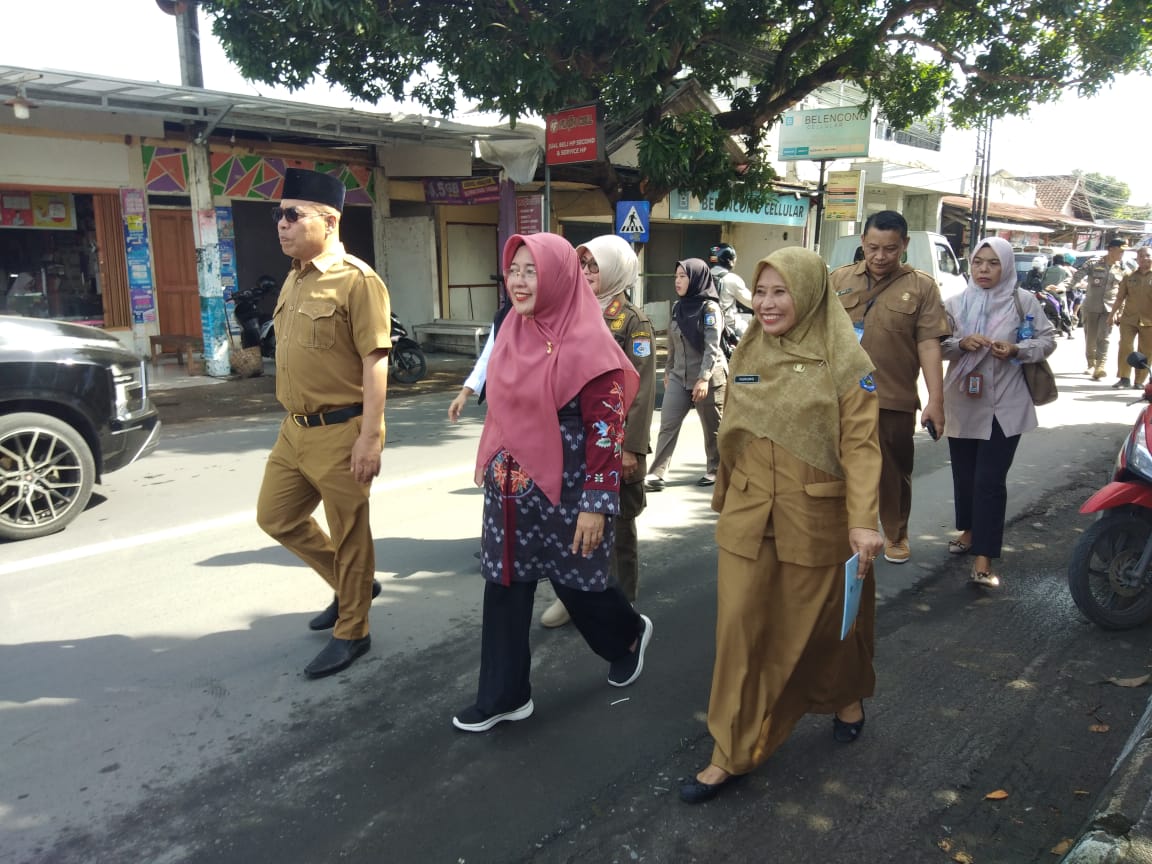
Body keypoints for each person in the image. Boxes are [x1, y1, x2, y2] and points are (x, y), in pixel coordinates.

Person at [679, 247, 883, 805]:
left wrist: (864, 521)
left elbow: (862, 447)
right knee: (740, 631)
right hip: (749, 513)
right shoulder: (750, 347)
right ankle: (732, 750)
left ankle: (844, 694)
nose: (767, 304)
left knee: (818, 628)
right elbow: (735, 431)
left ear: (810, 293)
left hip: (816, 515)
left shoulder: (846, 361)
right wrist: (725, 492)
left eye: (781, 292)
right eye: (762, 292)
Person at [453, 232, 653, 733]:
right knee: (505, 583)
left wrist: (596, 503)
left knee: (578, 583)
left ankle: (628, 636)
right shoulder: (511, 326)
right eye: (514, 270)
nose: (519, 282)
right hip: (510, 487)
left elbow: (607, 430)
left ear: (558, 278)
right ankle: (505, 697)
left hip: (569, 486)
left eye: (532, 271)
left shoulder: (591, 343)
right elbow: (500, 406)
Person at [255, 168, 392, 679]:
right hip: (294, 430)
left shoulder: (357, 280)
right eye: (279, 214)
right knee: (276, 517)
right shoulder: (295, 276)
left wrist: (370, 438)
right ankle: (352, 584)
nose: (282, 224)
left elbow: (376, 361)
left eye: (293, 215)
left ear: (329, 221)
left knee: (350, 533)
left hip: (341, 429)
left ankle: (353, 630)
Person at [538, 235, 657, 628]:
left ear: (614, 270)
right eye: (582, 264)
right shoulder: (568, 312)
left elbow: (642, 390)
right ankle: (575, 600)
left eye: (595, 266)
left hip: (615, 443)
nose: (586, 272)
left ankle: (622, 609)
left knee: (617, 530)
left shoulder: (632, 322)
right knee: (573, 524)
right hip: (577, 443)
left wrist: (630, 448)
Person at [830, 210, 949, 565]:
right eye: (873, 247)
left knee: (894, 471)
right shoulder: (838, 279)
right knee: (836, 468)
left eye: (890, 249)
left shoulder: (922, 287)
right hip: (840, 396)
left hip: (892, 398)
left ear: (905, 245)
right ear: (863, 242)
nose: (880, 256)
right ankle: (844, 531)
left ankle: (896, 534)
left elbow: (929, 345)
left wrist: (936, 401)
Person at [940, 238, 1056, 587]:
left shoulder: (1024, 301)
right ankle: (970, 531)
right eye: (978, 262)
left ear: (1005, 266)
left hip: (1005, 405)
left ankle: (984, 558)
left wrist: (1018, 349)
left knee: (989, 481)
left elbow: (1047, 340)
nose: (984, 270)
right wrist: (961, 344)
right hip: (963, 402)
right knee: (965, 476)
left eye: (993, 263)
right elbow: (936, 344)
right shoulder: (955, 304)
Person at [644, 258, 727, 491]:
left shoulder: (710, 309)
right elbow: (672, 342)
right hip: (679, 376)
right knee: (668, 423)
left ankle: (715, 468)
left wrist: (704, 378)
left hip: (708, 377)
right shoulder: (678, 308)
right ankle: (656, 474)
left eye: (683, 276)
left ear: (696, 279)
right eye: (676, 276)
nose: (677, 281)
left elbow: (712, 346)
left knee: (712, 428)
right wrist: (668, 370)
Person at [1072, 238, 1127, 380]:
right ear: (1111, 249)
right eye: (1120, 251)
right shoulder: (1093, 263)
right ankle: (1091, 363)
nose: (1122, 254)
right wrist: (1063, 287)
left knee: (1104, 337)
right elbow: (1076, 277)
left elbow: (1123, 293)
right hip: (1091, 306)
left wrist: (1120, 311)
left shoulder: (1122, 269)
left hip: (1110, 309)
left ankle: (1100, 366)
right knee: (1090, 338)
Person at [1110, 247, 1152, 389]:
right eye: (1141, 256)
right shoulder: (1129, 276)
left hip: (1149, 321)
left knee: (1146, 351)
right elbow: (1120, 297)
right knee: (1125, 347)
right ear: (1137, 259)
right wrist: (1112, 315)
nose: (1144, 258)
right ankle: (1124, 378)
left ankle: (1139, 381)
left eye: (1147, 255)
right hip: (1128, 319)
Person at [709, 243, 752, 338]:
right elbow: (752, 302)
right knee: (753, 338)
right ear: (729, 260)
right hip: (728, 326)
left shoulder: (702, 277)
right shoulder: (732, 279)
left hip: (706, 323)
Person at [1042, 253, 1077, 336]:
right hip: (1059, 293)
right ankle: (1068, 332)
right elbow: (1070, 281)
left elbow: (1042, 280)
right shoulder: (1064, 270)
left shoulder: (1047, 269)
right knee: (1064, 311)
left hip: (1047, 292)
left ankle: (1058, 329)